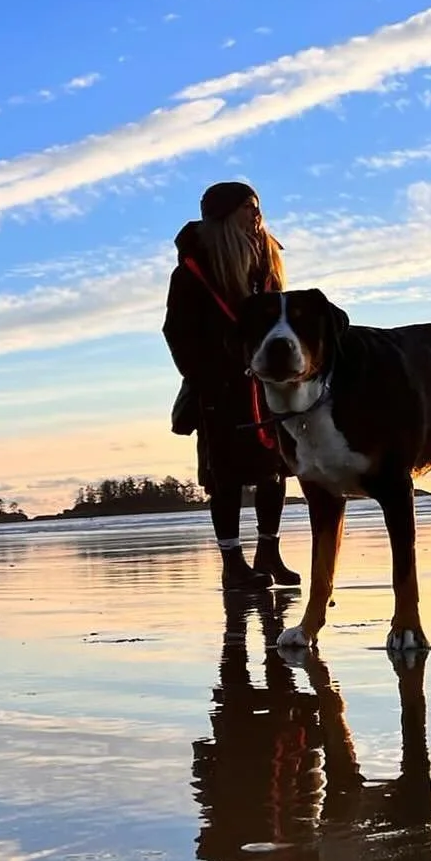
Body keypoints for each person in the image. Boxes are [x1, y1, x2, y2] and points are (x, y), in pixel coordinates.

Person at [162, 180, 300, 589]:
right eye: (246, 207)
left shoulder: (265, 263)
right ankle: (232, 563)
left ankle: (269, 553)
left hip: (266, 382)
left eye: (257, 206)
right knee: (226, 477)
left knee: (274, 471)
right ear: (224, 215)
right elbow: (176, 331)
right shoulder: (194, 270)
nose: (255, 214)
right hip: (219, 388)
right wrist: (206, 376)